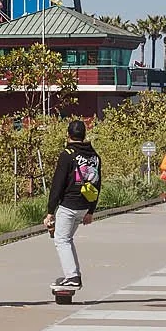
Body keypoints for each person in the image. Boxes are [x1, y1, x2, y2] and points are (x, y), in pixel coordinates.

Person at [46, 118, 102, 293]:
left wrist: (50, 211)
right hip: (85, 205)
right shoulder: (94, 156)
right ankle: (73, 274)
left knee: (61, 240)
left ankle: (72, 277)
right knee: (67, 239)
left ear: (68, 135)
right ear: (84, 135)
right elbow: (98, 183)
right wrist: (91, 211)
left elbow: (58, 184)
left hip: (69, 204)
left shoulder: (67, 154)